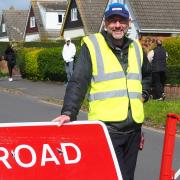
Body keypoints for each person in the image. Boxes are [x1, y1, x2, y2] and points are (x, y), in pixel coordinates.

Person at [53, 3, 151, 180]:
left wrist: (144, 94)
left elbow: (147, 75)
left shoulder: (136, 47)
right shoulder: (92, 45)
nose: (117, 25)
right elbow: (78, 81)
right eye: (113, 21)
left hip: (134, 130)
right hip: (107, 130)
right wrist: (69, 112)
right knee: (114, 176)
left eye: (121, 20)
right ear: (106, 24)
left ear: (128, 23)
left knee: (128, 177)